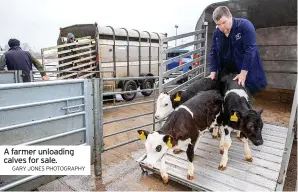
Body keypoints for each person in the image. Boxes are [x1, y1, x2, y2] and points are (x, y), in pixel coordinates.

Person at [208, 6, 267, 95]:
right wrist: (213, 72)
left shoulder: (244, 26)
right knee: (227, 95)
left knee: (246, 95)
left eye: (224, 22)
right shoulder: (217, 34)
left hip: (245, 70)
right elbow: (213, 53)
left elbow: (250, 50)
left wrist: (243, 74)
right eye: (218, 24)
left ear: (230, 16)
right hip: (227, 73)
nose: (222, 27)